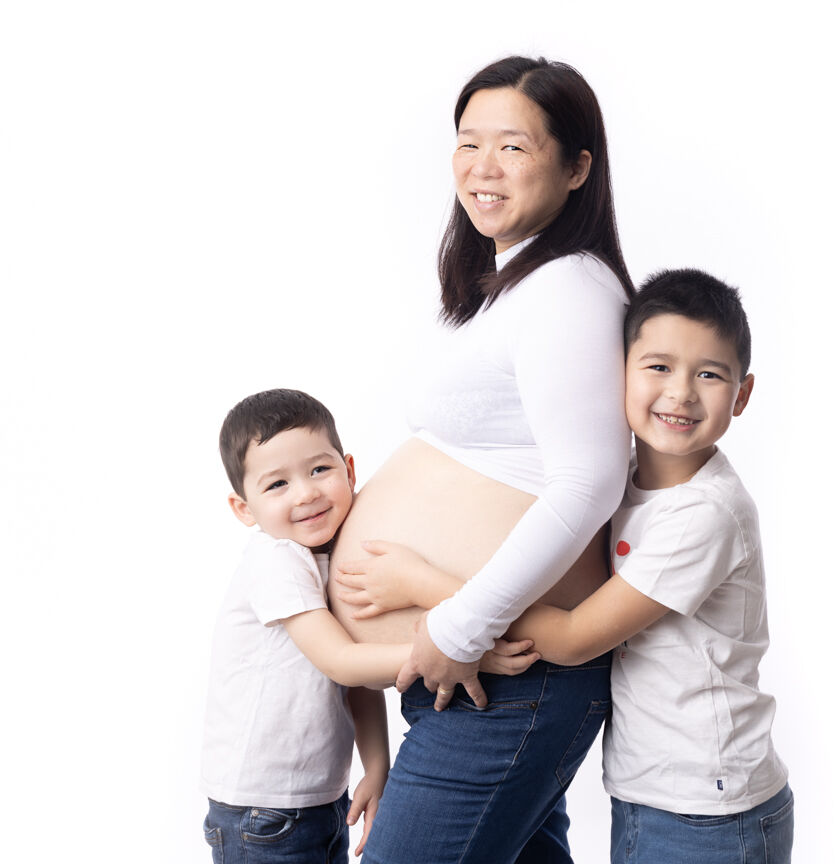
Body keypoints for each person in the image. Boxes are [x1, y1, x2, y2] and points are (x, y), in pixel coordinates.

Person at [343, 270, 794, 863]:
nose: (681, 393)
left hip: (709, 806)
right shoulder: (631, 472)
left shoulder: (702, 515)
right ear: (619, 373)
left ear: (742, 393)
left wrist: (424, 585)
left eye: (709, 374)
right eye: (657, 367)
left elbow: (577, 638)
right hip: (648, 788)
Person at [327, 56, 633, 862]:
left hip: (505, 677)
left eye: (513, 147)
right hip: (474, 676)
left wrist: (459, 624)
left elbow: (590, 481)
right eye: (467, 144)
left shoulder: (570, 287)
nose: (482, 168)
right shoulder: (505, 282)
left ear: (576, 168)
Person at [200, 389, 535, 862]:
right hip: (262, 809)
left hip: (315, 797)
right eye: (277, 485)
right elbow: (341, 662)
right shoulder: (276, 559)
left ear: (350, 470)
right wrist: (455, 644)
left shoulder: (327, 553)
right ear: (244, 509)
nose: (307, 492)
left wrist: (376, 766)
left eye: (320, 469)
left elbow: (357, 685)